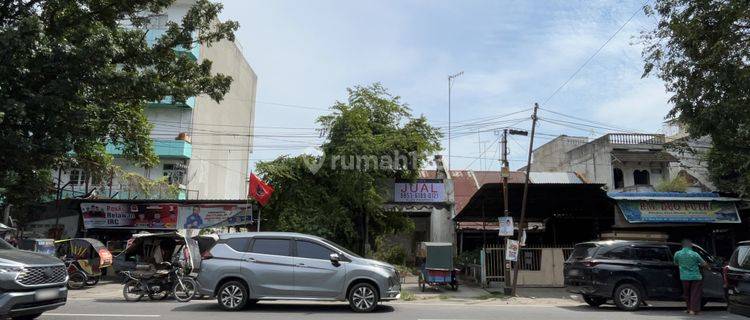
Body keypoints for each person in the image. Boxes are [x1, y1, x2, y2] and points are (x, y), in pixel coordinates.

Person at [674, 239, 708, 315]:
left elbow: (676, 263)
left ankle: (688, 309)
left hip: (684, 277)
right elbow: (704, 264)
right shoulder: (695, 254)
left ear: (682, 245)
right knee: (695, 294)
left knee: (687, 294)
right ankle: (693, 310)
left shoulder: (677, 254)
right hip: (696, 277)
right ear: (690, 245)